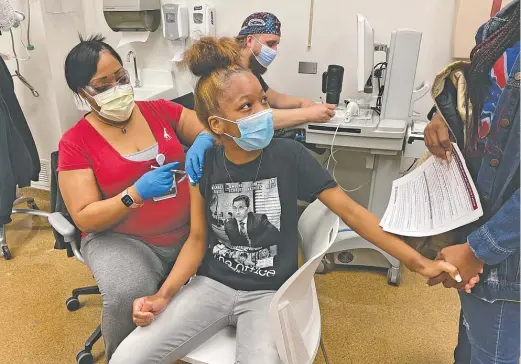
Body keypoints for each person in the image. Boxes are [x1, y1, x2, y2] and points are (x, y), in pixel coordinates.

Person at [109, 36, 462, 364]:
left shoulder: (289, 156)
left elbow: (354, 214)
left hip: (268, 293)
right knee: (126, 358)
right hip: (211, 286)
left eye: (262, 101)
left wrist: (418, 263)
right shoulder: (205, 164)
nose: (263, 113)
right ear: (217, 124)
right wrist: (164, 295)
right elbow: (198, 240)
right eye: (247, 107)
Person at [58, 34, 214, 360]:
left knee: (242, 267)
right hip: (124, 240)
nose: (117, 89)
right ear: (81, 94)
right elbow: (85, 215)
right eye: (103, 86)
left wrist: (203, 139)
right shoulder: (76, 142)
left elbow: (209, 126)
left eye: (121, 78)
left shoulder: (157, 110)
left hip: (190, 229)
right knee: (129, 293)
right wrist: (134, 194)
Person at [424, 2, 520, 363]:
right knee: (469, 347)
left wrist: (479, 249)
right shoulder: (504, 23)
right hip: (477, 218)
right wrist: (441, 117)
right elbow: (480, 90)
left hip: (507, 252)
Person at [235, 12, 337, 129]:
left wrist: (301, 102)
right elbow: (254, 118)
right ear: (249, 41)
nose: (274, 51)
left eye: (276, 45)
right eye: (270, 43)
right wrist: (309, 114)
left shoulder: (251, 70)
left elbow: (274, 99)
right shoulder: (232, 73)